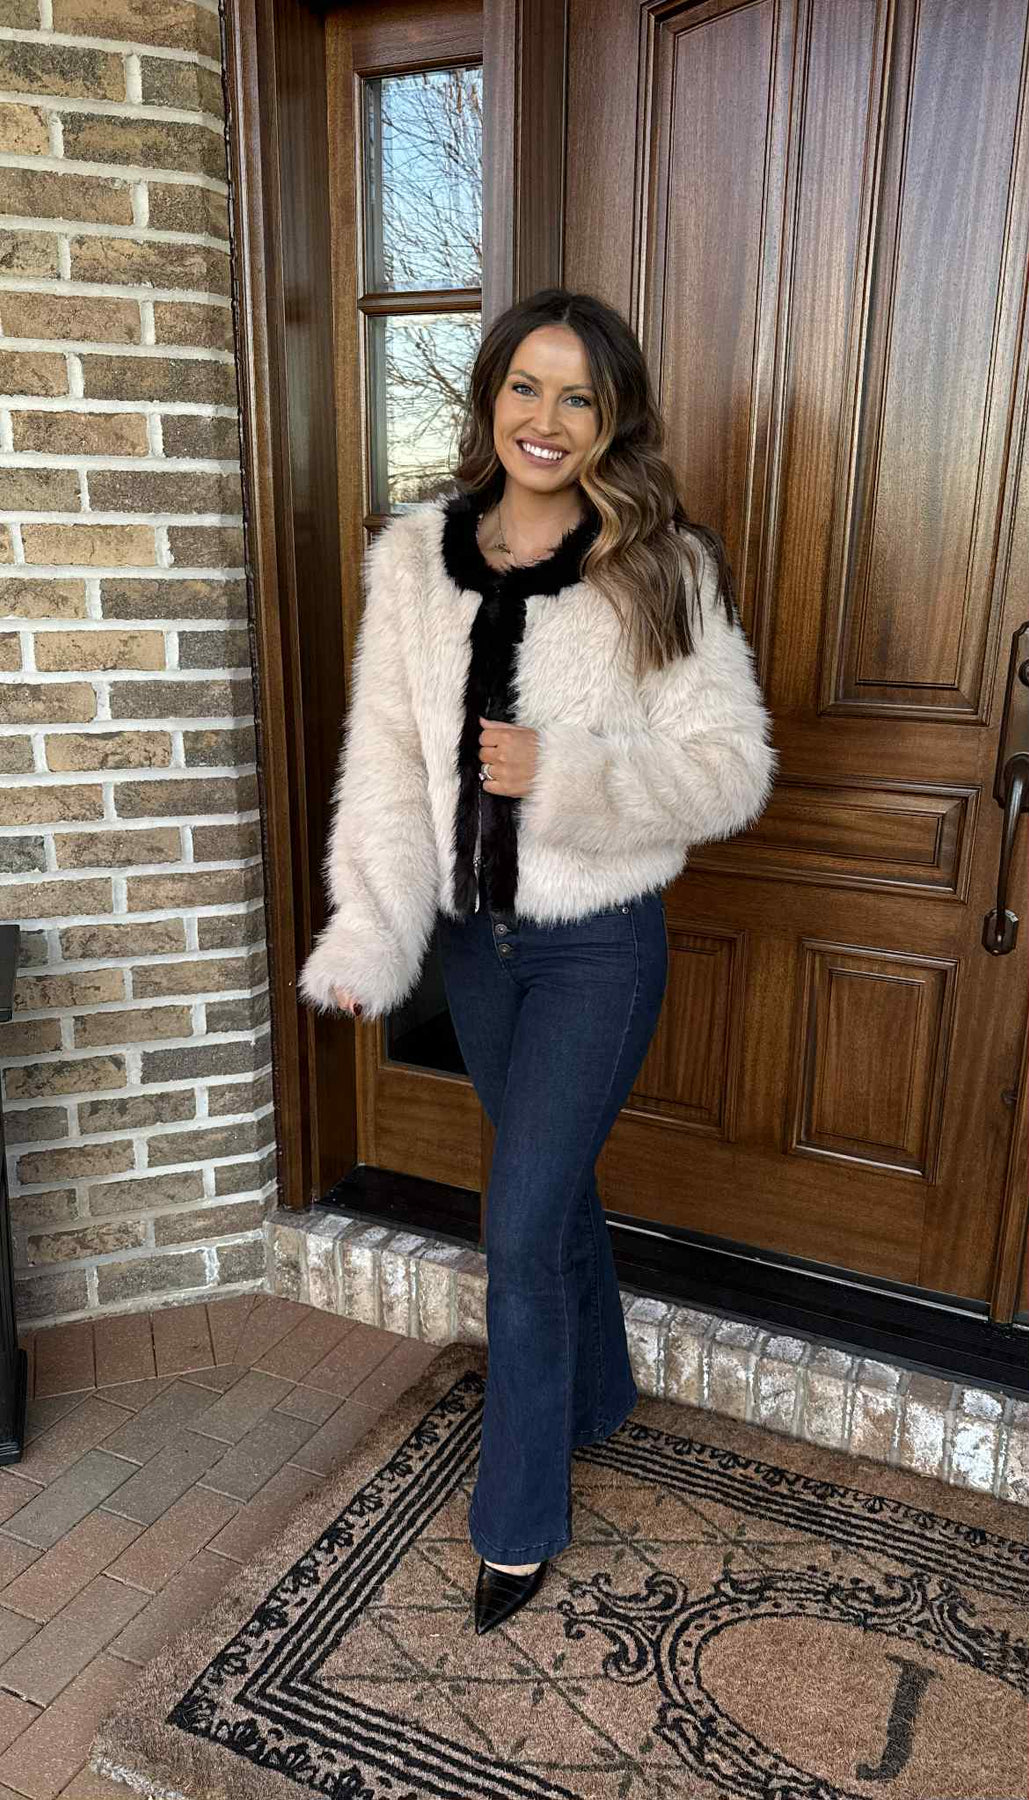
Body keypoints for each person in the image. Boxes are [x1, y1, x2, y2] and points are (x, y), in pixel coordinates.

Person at [299, 287, 778, 1636]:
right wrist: (371, 928)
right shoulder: (413, 559)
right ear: (489, 398)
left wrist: (560, 773)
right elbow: (385, 760)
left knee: (515, 1229)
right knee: (549, 1196)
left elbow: (729, 767)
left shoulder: (660, 567)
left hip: (594, 952)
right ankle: (599, 1394)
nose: (547, 419)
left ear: (613, 418)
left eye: (579, 396)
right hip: (478, 949)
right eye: (526, 387)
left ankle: (514, 1523)